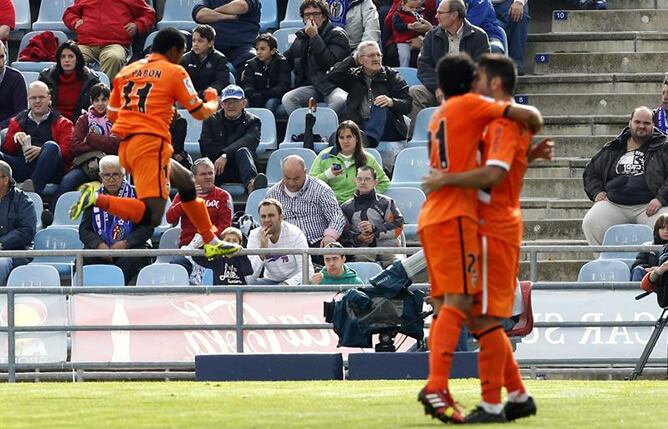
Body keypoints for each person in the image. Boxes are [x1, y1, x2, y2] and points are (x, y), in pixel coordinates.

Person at [413, 52, 542, 424]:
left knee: (477, 315)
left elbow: (491, 168)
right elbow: (526, 121)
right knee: (466, 307)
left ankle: (514, 395)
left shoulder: (439, 116)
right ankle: (445, 388)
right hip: (462, 218)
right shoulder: (479, 111)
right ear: (472, 83)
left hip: (445, 216)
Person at [68, 28, 241, 260]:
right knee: (152, 215)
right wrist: (212, 99)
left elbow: (111, 115)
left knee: (187, 182)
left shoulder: (125, 72)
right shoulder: (173, 71)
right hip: (149, 146)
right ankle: (96, 198)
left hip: (128, 147)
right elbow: (199, 112)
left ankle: (210, 241)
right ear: (174, 50)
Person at [582, 107, 668, 246]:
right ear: (630, 123)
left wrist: (661, 198)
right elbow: (591, 171)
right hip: (615, 204)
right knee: (592, 221)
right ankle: (605, 264)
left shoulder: (664, 146)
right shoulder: (614, 147)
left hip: (650, 207)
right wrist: (596, 192)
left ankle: (657, 266)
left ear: (653, 125)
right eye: (637, 122)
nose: (641, 126)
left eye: (646, 123)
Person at [408, 0, 490, 124]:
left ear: (454, 15)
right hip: (438, 91)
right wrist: (438, 87)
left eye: (440, 13)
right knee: (415, 92)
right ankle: (417, 138)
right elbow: (423, 66)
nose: (436, 16)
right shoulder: (431, 35)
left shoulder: (479, 36)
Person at [79, 155, 153, 285]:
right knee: (84, 259)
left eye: (116, 175)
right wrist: (99, 245)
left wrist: (126, 243)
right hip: (102, 248)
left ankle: (118, 293)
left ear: (123, 175)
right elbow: (84, 230)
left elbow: (147, 228)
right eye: (107, 175)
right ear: (101, 177)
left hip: (131, 247)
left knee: (134, 259)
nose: (111, 179)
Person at [265, 155, 346, 265]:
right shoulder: (272, 194)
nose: (292, 183)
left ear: (305, 172)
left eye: (296, 178)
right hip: (287, 247)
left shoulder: (321, 189)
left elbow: (336, 215)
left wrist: (330, 236)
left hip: (317, 244)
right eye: (287, 178)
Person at [326, 41, 411, 145]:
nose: (376, 59)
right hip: (360, 127)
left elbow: (408, 104)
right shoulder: (354, 76)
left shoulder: (391, 75)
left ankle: (368, 140)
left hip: (388, 128)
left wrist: (391, 102)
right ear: (360, 60)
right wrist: (353, 59)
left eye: (378, 55)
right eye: (371, 56)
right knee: (334, 138)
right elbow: (332, 75)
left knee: (380, 103)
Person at [1, 81, 74, 194]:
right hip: (23, 165)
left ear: (49, 99)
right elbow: (7, 150)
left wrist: (42, 152)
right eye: (33, 98)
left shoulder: (63, 123)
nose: (37, 101)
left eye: (41, 97)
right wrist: (15, 138)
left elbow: (68, 153)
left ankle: (33, 190)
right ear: (28, 100)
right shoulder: (17, 121)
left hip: (51, 169)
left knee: (51, 146)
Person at [281, 0, 350, 117]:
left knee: (339, 100)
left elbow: (329, 63)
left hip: (333, 85)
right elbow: (284, 61)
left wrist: (315, 37)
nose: (311, 18)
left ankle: (323, 127)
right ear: (303, 19)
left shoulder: (337, 35)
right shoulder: (300, 38)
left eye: (316, 14)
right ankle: (305, 130)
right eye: (307, 15)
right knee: (288, 99)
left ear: (324, 17)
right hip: (310, 86)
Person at [55, 83, 120, 205]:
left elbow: (118, 145)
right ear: (91, 101)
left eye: (104, 99)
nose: (100, 103)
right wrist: (104, 142)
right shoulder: (84, 119)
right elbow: (75, 146)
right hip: (86, 165)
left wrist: (91, 138)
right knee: (68, 180)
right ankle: (52, 213)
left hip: (112, 165)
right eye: (96, 100)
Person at [166, 157, 233, 273]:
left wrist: (205, 238)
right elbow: (170, 218)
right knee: (176, 267)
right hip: (188, 248)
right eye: (203, 174)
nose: (208, 177)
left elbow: (225, 226)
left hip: (213, 247)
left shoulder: (223, 196)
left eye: (210, 173)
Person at [199, 84, 268, 193]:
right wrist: (224, 155)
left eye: (235, 101)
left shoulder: (253, 121)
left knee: (243, 151)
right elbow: (205, 145)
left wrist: (226, 154)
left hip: (240, 168)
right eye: (227, 102)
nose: (231, 105)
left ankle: (252, 185)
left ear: (244, 103)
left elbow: (250, 141)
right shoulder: (210, 119)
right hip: (218, 167)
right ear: (221, 104)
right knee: (204, 164)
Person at [63, 0, 156, 80]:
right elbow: (69, 13)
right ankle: (77, 92)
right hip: (86, 44)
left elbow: (149, 14)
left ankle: (103, 93)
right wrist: (74, 22)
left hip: (116, 44)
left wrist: (137, 25)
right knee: (72, 58)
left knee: (114, 57)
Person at [310, 121, 390, 203]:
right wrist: (327, 175)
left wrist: (365, 197)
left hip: (357, 207)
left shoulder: (368, 159)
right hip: (330, 204)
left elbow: (384, 182)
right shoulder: (324, 156)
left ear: (357, 139)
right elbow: (311, 184)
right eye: (341, 137)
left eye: (349, 137)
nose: (345, 141)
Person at [340, 165, 403, 267]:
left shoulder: (387, 202)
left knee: (397, 266)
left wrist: (375, 229)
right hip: (362, 251)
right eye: (359, 179)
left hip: (389, 250)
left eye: (367, 179)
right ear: (355, 181)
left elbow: (398, 225)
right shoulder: (346, 207)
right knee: (360, 264)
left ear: (375, 182)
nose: (363, 182)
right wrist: (358, 238)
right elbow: (343, 233)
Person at [246, 198, 314, 285]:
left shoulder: (295, 234)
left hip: (294, 283)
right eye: (263, 216)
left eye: (271, 215)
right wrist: (262, 250)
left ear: (281, 217)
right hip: (270, 281)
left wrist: (286, 284)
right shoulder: (254, 235)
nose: (267, 220)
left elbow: (308, 271)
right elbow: (249, 278)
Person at [38, 40, 101, 123]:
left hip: (80, 125)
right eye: (63, 56)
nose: (67, 60)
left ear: (77, 59)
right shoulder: (46, 78)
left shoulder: (91, 80)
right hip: (51, 124)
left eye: (71, 56)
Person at [192, 0, 261, 72]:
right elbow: (200, 15)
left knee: (252, 59)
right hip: (211, 46)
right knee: (183, 39)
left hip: (241, 48)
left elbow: (240, 6)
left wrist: (212, 12)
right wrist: (227, 16)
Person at [0, 160, 36, 285]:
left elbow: (26, 231)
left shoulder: (23, 201)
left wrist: (1, 243)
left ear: (5, 180)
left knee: (1, 263)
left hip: (15, 253)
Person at [240, 33, 291, 113]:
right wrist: (252, 94)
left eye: (262, 49)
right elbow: (247, 85)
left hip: (274, 97)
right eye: (257, 49)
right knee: (244, 104)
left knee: (270, 104)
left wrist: (264, 95)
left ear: (273, 51)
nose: (259, 52)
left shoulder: (282, 63)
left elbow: (283, 86)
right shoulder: (251, 64)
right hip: (255, 96)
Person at [180, 24, 230, 99]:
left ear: (210, 43)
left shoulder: (220, 59)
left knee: (218, 99)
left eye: (200, 41)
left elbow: (221, 82)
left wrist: (206, 93)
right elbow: (181, 82)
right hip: (189, 96)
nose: (196, 44)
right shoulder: (184, 59)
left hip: (210, 95)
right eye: (194, 41)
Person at [492, 0, 529, 75]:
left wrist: (519, 2)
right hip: (479, 2)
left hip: (507, 3)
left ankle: (515, 65)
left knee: (520, 15)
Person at [631, 214, 668, 281]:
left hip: (665, 276)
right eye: (662, 228)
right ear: (657, 230)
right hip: (650, 277)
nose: (665, 231)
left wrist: (659, 269)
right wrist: (650, 269)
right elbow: (637, 265)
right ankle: (637, 291)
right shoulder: (647, 246)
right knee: (638, 270)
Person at [0, 42, 27, 130]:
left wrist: (1, 126)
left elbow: (21, 113)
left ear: (6, 57)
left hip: (7, 128)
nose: (0, 62)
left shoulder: (16, 79)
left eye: (1, 57)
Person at [392, 0, 427, 67]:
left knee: (424, 54)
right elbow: (396, 26)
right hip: (403, 41)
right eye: (411, 7)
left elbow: (426, 25)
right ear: (403, 4)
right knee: (405, 56)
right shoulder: (399, 14)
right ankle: (404, 70)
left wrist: (422, 27)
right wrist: (407, 26)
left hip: (418, 39)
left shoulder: (420, 15)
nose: (414, 10)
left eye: (416, 8)